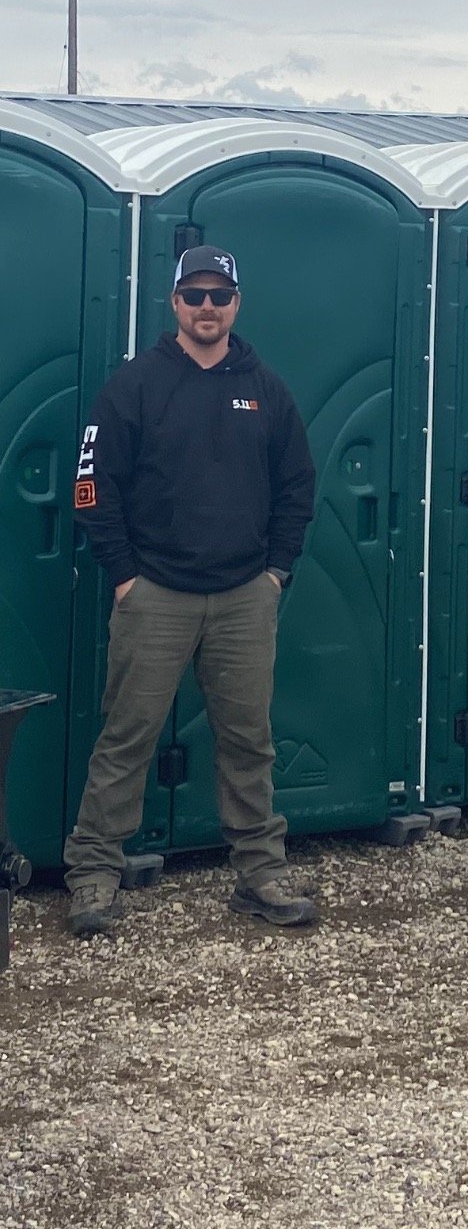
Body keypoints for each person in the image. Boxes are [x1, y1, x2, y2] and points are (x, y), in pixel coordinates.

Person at [65, 245, 316, 937]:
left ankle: (260, 874)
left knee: (248, 740)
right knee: (126, 737)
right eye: (194, 295)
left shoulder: (266, 388)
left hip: (244, 597)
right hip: (154, 597)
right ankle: (93, 876)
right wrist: (123, 576)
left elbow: (297, 489)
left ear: (237, 302)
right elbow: (91, 486)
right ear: (173, 302)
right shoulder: (135, 384)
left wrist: (275, 573)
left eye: (220, 295)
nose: (208, 307)